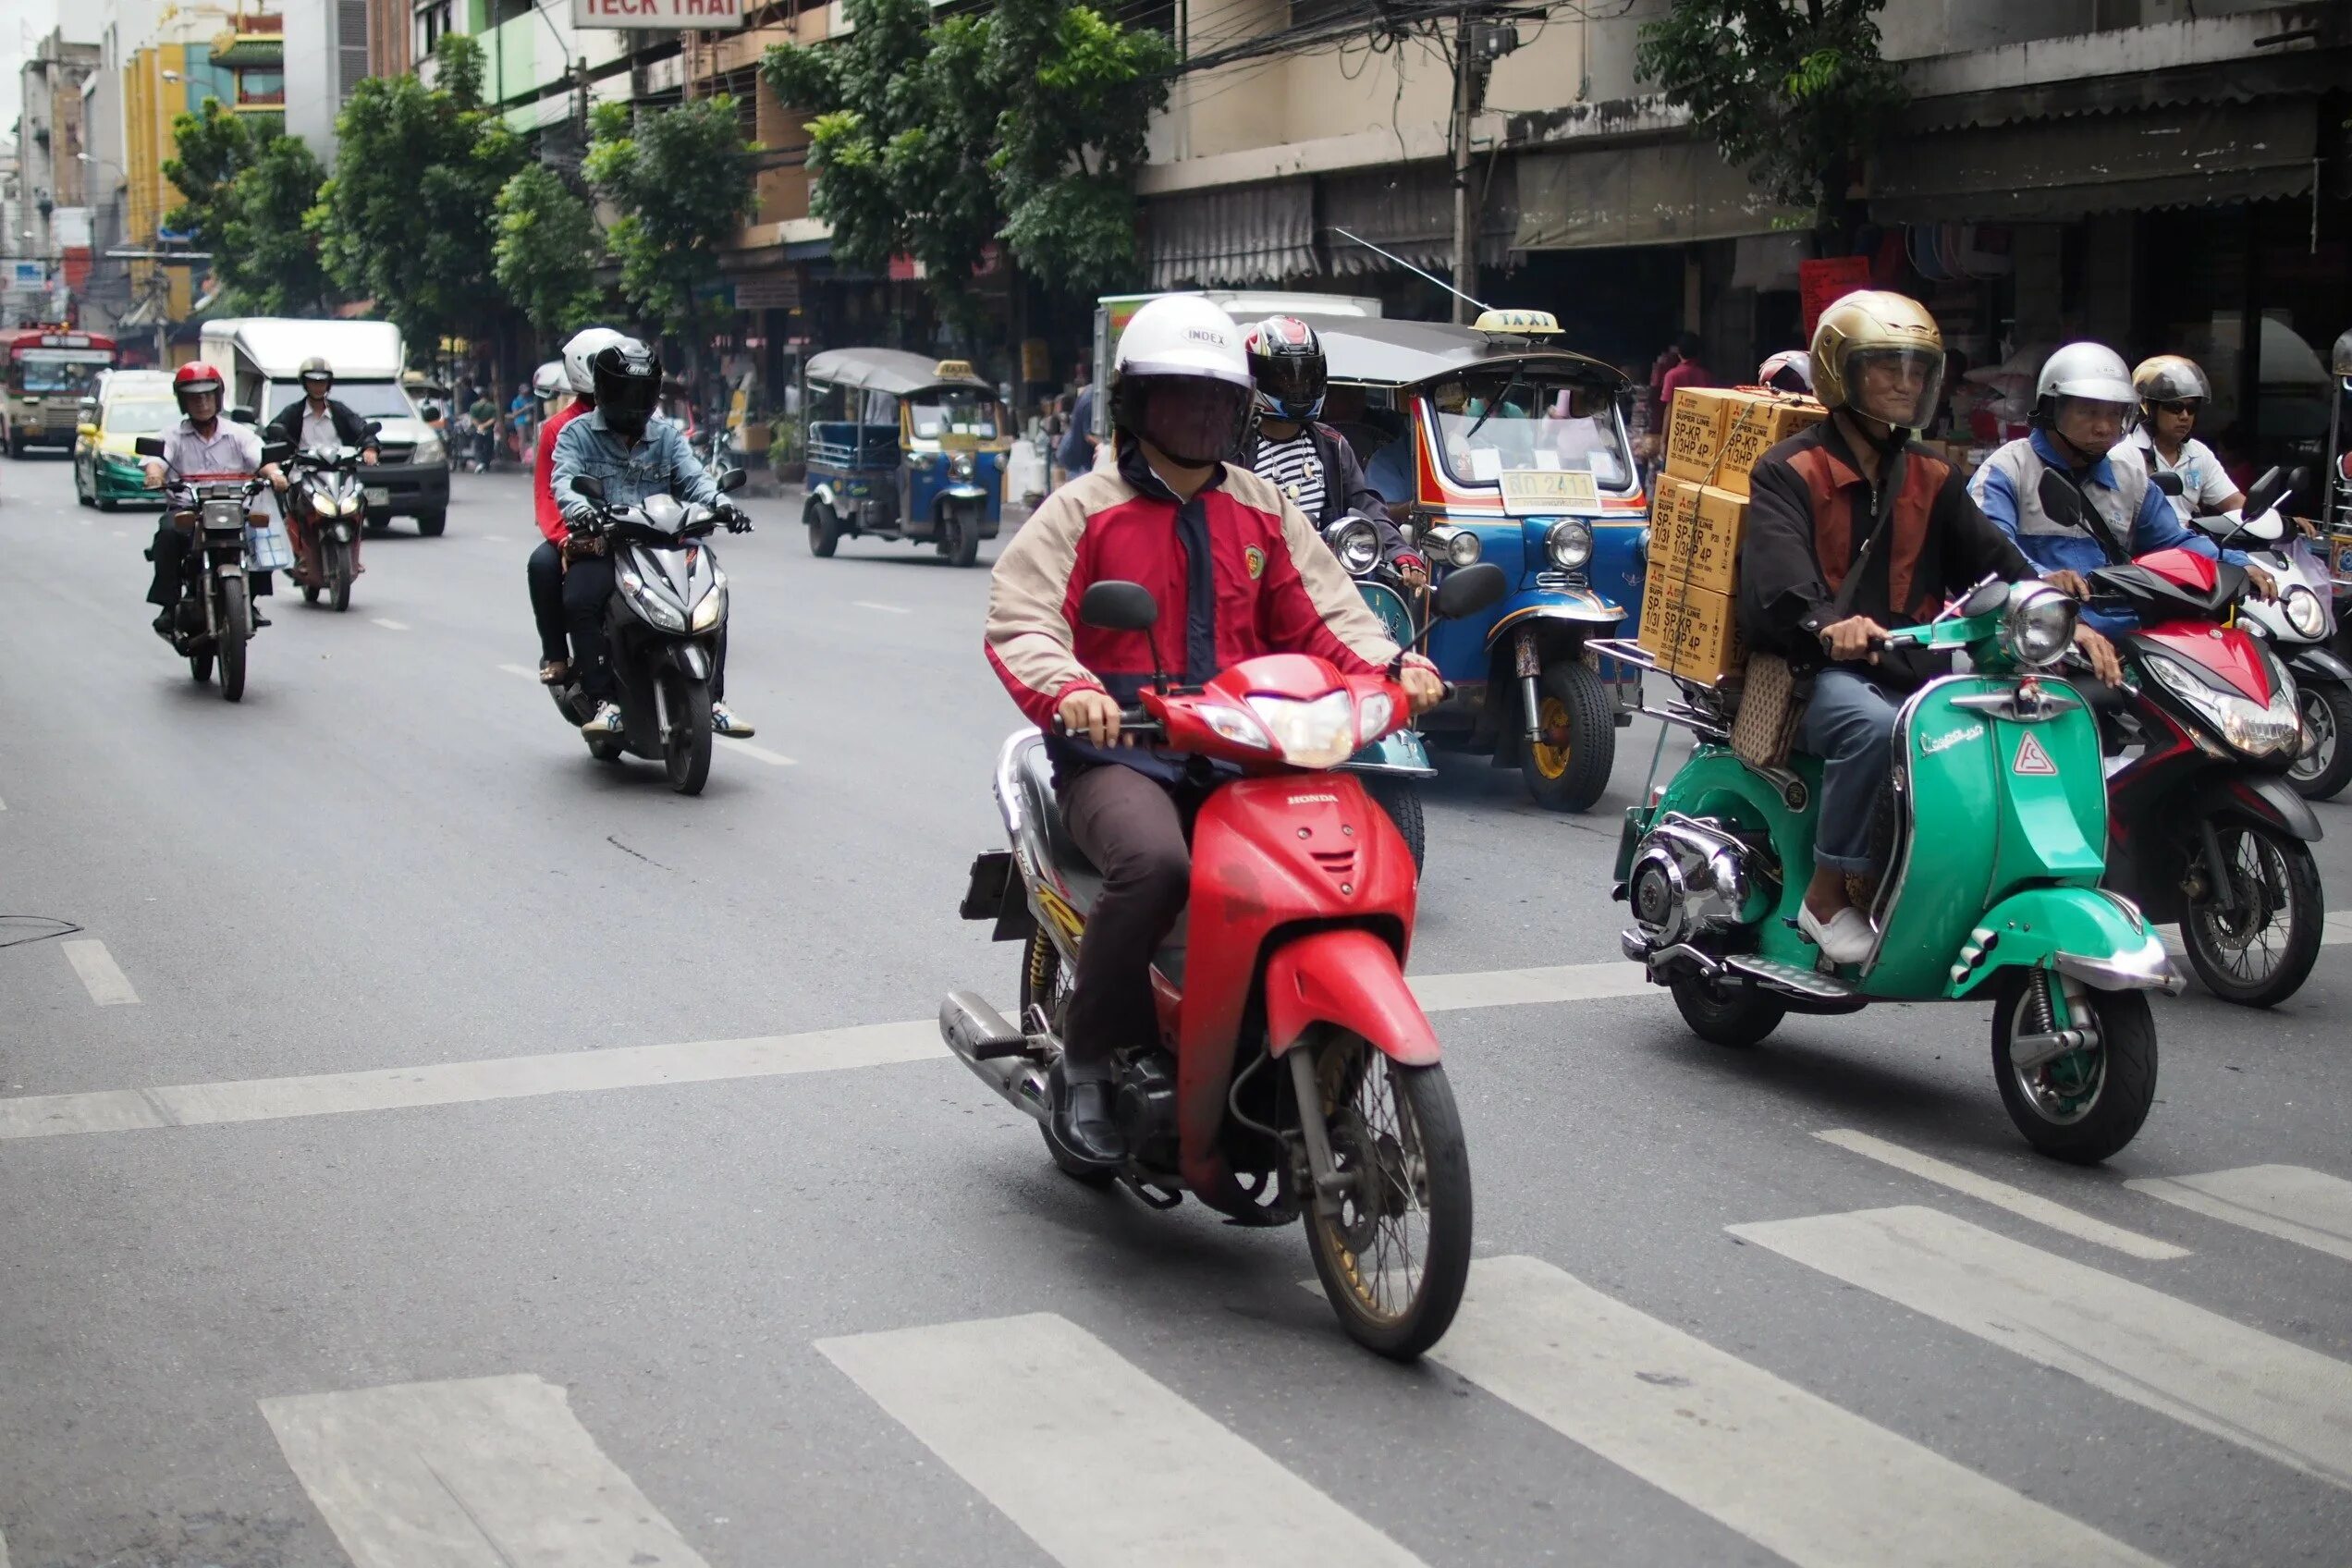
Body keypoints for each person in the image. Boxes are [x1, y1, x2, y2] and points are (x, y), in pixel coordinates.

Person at [983, 295, 1444, 1168]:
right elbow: (1024, 617)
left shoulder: (1264, 509)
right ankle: (1085, 1063)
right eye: (1178, 397)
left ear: (1240, 412)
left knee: (1333, 867)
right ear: (1135, 406)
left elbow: (1330, 618)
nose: (1199, 416)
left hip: (1247, 753)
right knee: (1157, 867)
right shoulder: (1084, 510)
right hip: (1125, 754)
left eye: (1216, 401)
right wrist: (1073, 687)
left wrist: (1393, 671)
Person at [1740, 292, 2116, 966]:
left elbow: (2000, 565)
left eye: (1917, 368)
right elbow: (1779, 584)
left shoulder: (1935, 476)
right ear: (1838, 371)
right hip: (1816, 671)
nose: (1906, 383)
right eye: (1886, 366)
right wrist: (1830, 625)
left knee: (2015, 718)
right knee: (1872, 729)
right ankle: (1826, 895)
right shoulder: (1789, 470)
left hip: (1915, 669)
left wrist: (2064, 620)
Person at [1970, 342, 2274, 639]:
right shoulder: (2008, 470)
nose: (2104, 427)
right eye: (2088, 412)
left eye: (2114, 415)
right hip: (2039, 635)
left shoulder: (2132, 482)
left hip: (2123, 635)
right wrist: (2040, 578)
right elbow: (1991, 550)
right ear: (2051, 409)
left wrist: (2235, 563)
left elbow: (2174, 543)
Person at [551, 337, 755, 739]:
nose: (633, 402)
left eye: (642, 392)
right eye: (625, 391)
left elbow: (695, 478)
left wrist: (723, 506)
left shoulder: (665, 436)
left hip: (666, 542)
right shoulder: (576, 434)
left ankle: (713, 701)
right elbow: (565, 483)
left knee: (714, 592)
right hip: (608, 543)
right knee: (579, 598)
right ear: (604, 391)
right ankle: (604, 699)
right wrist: (582, 512)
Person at [1240, 314, 1427, 586]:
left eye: (1306, 378)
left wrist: (1399, 551)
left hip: (1323, 585)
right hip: (1254, 584)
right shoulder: (1232, 447)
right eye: (1286, 380)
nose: (1298, 388)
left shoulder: (1332, 444)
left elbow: (1366, 505)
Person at [143, 361, 287, 635]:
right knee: (168, 534)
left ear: (218, 397)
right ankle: (169, 606)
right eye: (194, 397)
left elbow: (261, 459)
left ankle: (250, 601)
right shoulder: (172, 435)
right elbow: (156, 461)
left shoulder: (239, 434)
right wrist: (154, 476)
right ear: (183, 401)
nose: (202, 402)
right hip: (190, 510)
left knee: (261, 531)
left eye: (208, 395)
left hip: (235, 508)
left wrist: (276, 475)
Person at [529, 335, 619, 684]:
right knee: (541, 564)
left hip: (639, 527)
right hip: (582, 529)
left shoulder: (645, 423)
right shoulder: (560, 428)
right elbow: (548, 491)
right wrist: (565, 537)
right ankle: (556, 654)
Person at [264, 356, 380, 587]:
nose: (318, 386)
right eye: (312, 381)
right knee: (293, 504)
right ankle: (301, 554)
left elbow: (361, 428)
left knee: (360, 500)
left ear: (329, 384)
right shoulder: (294, 413)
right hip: (303, 473)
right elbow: (271, 435)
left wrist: (369, 448)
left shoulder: (339, 411)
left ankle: (354, 552)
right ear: (304, 384)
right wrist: (278, 462)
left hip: (339, 472)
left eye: (322, 381)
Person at [2126, 354, 2245, 523]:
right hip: (2147, 545)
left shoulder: (2198, 453)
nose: (2185, 416)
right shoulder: (2126, 452)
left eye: (2191, 408)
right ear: (2149, 409)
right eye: (2175, 407)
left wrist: (2275, 520)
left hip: (2190, 543)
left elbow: (2235, 503)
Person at [1054, 366, 1098, 485]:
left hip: (1073, 455)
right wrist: (1109, 447)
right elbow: (1089, 435)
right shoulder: (1092, 400)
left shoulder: (1088, 391)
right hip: (1078, 463)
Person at [1658, 331, 1711, 410]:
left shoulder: (1672, 375)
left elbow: (1669, 406)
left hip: (1678, 419)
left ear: (1678, 351)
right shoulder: (1706, 375)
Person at [467, 386, 498, 472]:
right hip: (489, 431)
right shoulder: (492, 407)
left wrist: (479, 426)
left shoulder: (474, 406)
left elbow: (473, 419)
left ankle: (480, 463)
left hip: (478, 430)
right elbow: (493, 419)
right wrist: (484, 426)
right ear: (488, 396)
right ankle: (486, 465)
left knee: (478, 448)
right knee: (489, 448)